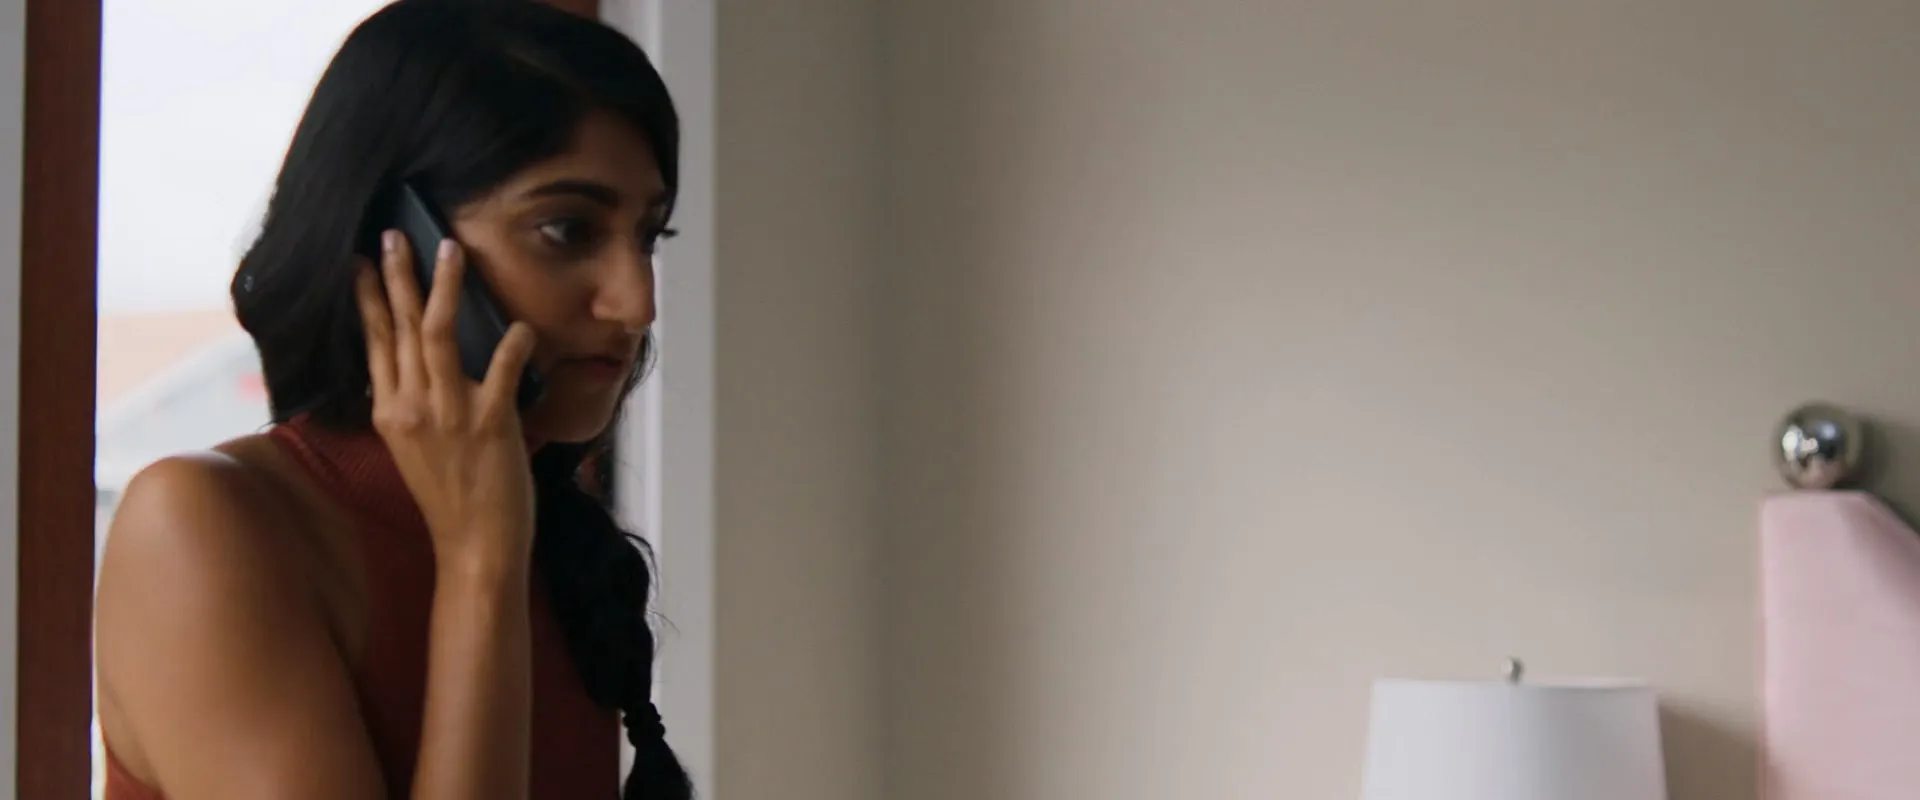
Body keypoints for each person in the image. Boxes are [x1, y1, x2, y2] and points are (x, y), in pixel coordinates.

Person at [90, 1, 692, 797]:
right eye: (567, 231)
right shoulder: (203, 523)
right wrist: (478, 566)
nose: (636, 302)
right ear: (395, 239)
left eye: (647, 236)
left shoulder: (555, 542)